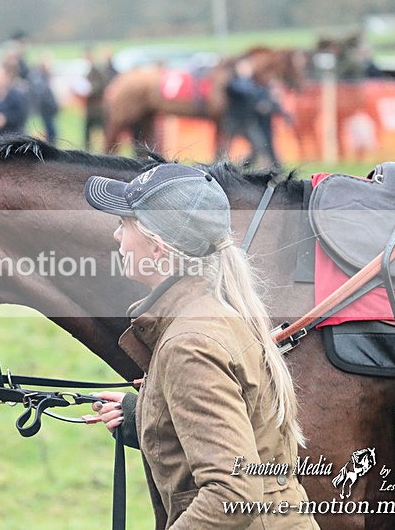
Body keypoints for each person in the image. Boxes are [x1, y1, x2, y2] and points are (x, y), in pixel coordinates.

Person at [81, 163, 317, 529]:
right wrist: (144, 413)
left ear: (158, 248)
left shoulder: (189, 343)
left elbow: (232, 493)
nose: (117, 237)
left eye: (124, 225)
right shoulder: (214, 310)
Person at [82, 47, 117, 151]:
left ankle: (107, 148)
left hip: (98, 108)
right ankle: (87, 149)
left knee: (104, 130)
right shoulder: (88, 71)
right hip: (90, 108)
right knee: (87, 131)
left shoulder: (97, 71)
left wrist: (90, 89)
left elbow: (100, 85)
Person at [0, 63, 29, 137]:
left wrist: (5, 119)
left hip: (14, 137)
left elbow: (23, 116)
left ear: (5, 76)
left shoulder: (16, 94)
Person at [28, 56, 59, 144]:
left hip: (50, 107)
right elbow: (40, 93)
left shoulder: (46, 76)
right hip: (45, 107)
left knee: (51, 130)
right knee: (47, 129)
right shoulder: (37, 77)